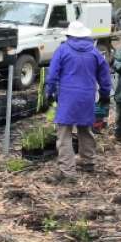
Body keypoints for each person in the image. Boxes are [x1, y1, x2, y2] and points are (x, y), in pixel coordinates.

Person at [46, 21, 112, 174]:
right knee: (85, 129)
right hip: (87, 96)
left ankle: (68, 171)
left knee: (64, 134)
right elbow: (105, 76)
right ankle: (88, 162)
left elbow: (52, 75)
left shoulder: (62, 50)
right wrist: (104, 95)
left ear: (69, 35)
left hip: (67, 97)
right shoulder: (95, 52)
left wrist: (50, 93)